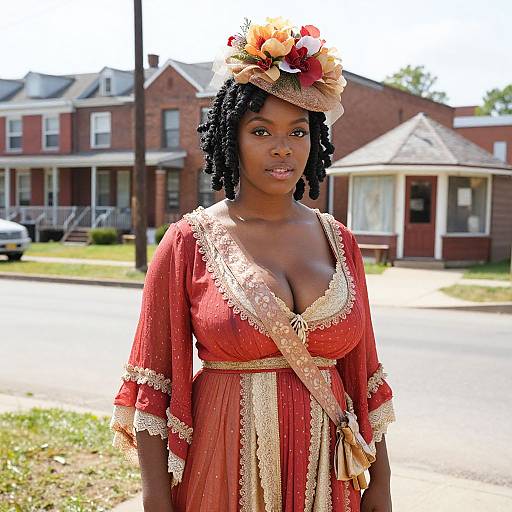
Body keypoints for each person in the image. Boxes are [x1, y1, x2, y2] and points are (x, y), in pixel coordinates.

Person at [110, 16, 396, 511]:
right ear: (232, 138)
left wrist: (382, 482)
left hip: (328, 476)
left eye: (298, 131)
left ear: (315, 140)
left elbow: (362, 373)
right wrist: (155, 502)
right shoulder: (187, 244)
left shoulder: (340, 241)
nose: (283, 147)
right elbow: (150, 390)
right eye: (261, 130)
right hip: (223, 468)